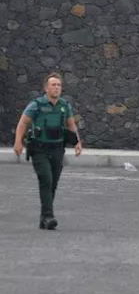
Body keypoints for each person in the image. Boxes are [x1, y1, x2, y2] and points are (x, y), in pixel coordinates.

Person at [13, 73, 83, 230]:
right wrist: (18, 142)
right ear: (46, 88)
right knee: (46, 179)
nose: (56, 87)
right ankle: (49, 216)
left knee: (53, 182)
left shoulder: (65, 106)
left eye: (59, 85)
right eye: (53, 85)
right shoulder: (36, 105)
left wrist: (77, 142)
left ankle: (44, 217)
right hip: (39, 149)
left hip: (58, 149)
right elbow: (23, 123)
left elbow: (71, 125)